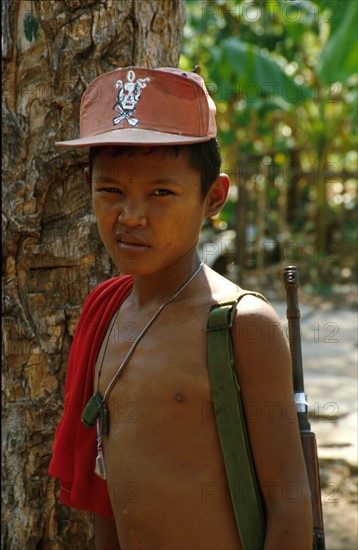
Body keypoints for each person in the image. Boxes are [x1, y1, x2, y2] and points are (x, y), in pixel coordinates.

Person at [49, 66, 312, 549]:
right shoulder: (106, 315)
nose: (131, 216)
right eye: (110, 191)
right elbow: (107, 487)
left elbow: (290, 499)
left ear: (213, 198)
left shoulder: (238, 326)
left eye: (161, 193)